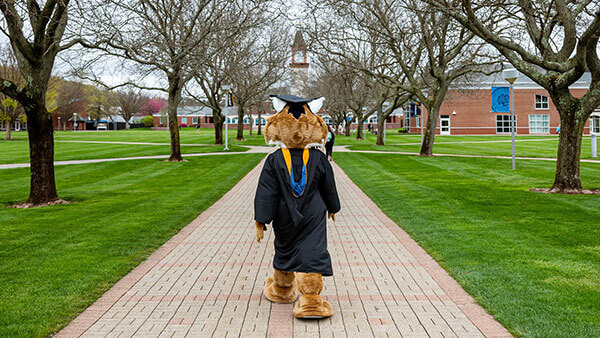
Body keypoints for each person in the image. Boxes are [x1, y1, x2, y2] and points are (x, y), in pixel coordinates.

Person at [255, 94, 341, 319]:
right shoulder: (319, 158)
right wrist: (333, 207)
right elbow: (328, 186)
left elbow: (267, 191)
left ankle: (282, 290)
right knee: (312, 252)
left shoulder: (274, 159)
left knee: (285, 248)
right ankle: (311, 300)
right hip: (313, 213)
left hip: (284, 214)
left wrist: (261, 219)